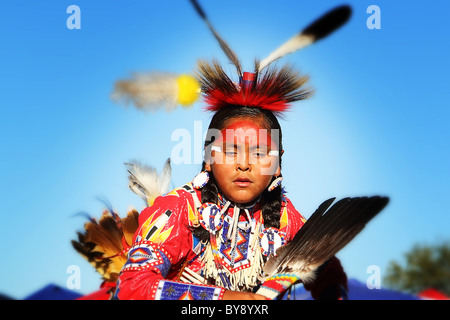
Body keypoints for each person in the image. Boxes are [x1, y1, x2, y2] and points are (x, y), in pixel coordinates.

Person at [112, 61, 348, 300]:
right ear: (208, 157)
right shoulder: (179, 209)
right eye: (230, 151)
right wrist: (227, 299)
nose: (243, 164)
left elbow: (327, 268)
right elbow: (132, 287)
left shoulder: (286, 219)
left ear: (277, 163)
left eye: (259, 153)